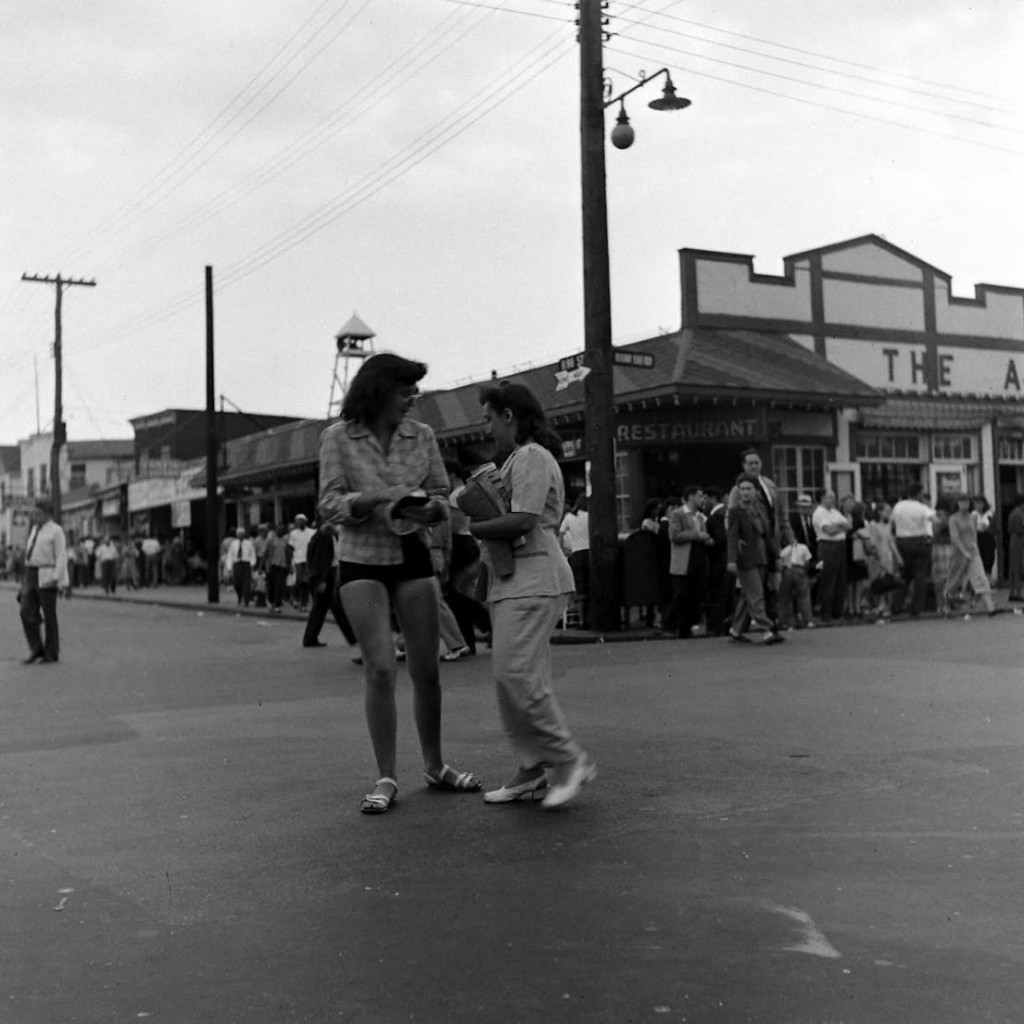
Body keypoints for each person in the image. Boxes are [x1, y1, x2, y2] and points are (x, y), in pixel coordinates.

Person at [317, 352, 480, 815]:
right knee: (382, 669)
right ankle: (386, 775)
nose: (413, 399)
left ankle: (435, 765)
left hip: (412, 552)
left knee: (427, 669)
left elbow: (441, 493)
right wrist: (370, 500)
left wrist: (431, 509)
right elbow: (328, 503)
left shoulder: (422, 435)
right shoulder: (337, 438)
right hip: (361, 558)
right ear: (379, 390)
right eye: (406, 390)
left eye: (415, 390)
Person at [467, 381, 595, 809]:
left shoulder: (532, 457)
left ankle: (567, 758)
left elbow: (523, 519)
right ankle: (530, 767)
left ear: (509, 416)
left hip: (534, 578)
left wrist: (475, 526)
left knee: (517, 676)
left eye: (489, 417)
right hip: (513, 581)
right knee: (511, 680)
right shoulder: (515, 461)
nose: (487, 428)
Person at [726, 474, 783, 644]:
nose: (745, 492)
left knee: (747, 596)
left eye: (748, 489)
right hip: (746, 559)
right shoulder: (735, 511)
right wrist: (731, 560)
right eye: (742, 489)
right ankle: (767, 630)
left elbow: (768, 536)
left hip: (762, 556)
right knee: (757, 595)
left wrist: (776, 557)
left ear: (756, 491)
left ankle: (735, 630)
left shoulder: (760, 511)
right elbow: (732, 536)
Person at [19, 498, 69, 664]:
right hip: (31, 573)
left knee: (49, 615)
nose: (35, 516)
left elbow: (61, 556)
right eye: (34, 513)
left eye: (39, 513)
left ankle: (51, 652)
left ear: (48, 514)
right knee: (25, 610)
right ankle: (36, 648)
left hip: (47, 573)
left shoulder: (56, 531)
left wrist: (56, 578)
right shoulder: (34, 529)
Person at [662, 484, 712, 638]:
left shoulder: (699, 516)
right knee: (681, 594)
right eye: (699, 496)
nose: (702, 499)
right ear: (690, 497)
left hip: (697, 557)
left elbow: (704, 533)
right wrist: (697, 535)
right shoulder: (678, 514)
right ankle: (669, 624)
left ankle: (686, 626)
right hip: (683, 560)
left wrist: (707, 538)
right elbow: (675, 536)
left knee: (694, 593)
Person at [302, 522, 359, 653]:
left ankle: (310, 638)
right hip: (326, 576)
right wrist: (320, 580)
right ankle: (353, 638)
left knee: (323, 608)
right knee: (333, 607)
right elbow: (319, 560)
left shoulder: (327, 536)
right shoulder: (323, 537)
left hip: (328, 574)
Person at [946, 493, 997, 616]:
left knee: (981, 578)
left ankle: (990, 607)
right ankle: (946, 606)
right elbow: (955, 537)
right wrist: (963, 551)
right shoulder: (953, 519)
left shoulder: (972, 517)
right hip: (958, 553)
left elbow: (974, 535)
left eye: (967, 502)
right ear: (957, 504)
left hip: (973, 553)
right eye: (962, 502)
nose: (965, 505)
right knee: (954, 581)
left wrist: (974, 549)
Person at [890, 482, 934, 616]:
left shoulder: (898, 506)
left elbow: (892, 522)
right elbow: (934, 519)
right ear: (919, 493)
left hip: (902, 541)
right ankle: (916, 608)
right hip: (919, 541)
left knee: (904, 575)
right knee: (920, 576)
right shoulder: (921, 507)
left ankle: (896, 605)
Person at [811, 489, 850, 623]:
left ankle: (837, 612)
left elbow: (848, 525)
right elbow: (829, 530)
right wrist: (840, 527)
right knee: (828, 579)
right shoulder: (819, 513)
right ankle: (825, 611)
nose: (832, 500)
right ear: (822, 498)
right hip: (827, 546)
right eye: (829, 497)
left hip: (840, 546)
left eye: (833, 497)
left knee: (840, 578)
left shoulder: (835, 512)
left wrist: (838, 526)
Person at [863, 503, 903, 622]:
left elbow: (891, 542)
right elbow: (872, 544)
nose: (888, 514)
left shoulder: (889, 525)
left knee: (888, 583)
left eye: (890, 511)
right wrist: (878, 559)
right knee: (878, 584)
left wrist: (898, 557)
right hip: (877, 558)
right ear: (879, 512)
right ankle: (877, 609)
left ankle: (886, 609)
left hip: (888, 557)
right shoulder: (873, 526)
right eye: (886, 511)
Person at [558, 493, 591, 629]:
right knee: (591, 588)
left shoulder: (569, 517)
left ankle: (582, 620)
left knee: (580, 589)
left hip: (576, 553)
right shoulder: (589, 516)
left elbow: (561, 533)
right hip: (589, 552)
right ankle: (591, 618)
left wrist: (563, 549)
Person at [777, 522, 814, 629]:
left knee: (786, 598)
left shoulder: (784, 550)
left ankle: (788, 622)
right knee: (803, 596)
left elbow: (781, 559)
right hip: (799, 570)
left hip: (788, 570)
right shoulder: (803, 547)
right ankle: (807, 620)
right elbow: (807, 561)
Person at [287, 514, 315, 611]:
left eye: (300, 520)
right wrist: (289, 563)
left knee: (306, 582)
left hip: (308, 560)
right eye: (297, 521)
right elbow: (290, 548)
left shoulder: (312, 532)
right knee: (298, 580)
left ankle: (304, 603)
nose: (298, 522)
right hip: (297, 559)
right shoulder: (293, 533)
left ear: (304, 521)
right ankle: (295, 598)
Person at [226, 527, 255, 606]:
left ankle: (246, 600)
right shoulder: (233, 544)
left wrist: (252, 563)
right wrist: (229, 567)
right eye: (239, 534)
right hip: (237, 564)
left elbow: (252, 554)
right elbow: (230, 556)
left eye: (242, 534)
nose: (240, 536)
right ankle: (239, 596)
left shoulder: (248, 543)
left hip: (246, 564)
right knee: (237, 583)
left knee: (246, 583)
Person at [264, 524, 289, 613]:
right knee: (272, 586)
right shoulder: (271, 540)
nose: (280, 531)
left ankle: (277, 604)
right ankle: (271, 601)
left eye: (282, 530)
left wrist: (289, 566)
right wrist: (262, 567)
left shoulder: (286, 540)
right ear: (275, 530)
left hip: (282, 566)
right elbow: (265, 554)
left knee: (280, 586)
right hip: (272, 566)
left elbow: (288, 553)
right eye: (278, 530)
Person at [972, 496, 996, 580]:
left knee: (989, 560)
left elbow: (995, 527)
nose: (978, 506)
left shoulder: (990, 513)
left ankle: (988, 582)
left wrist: (988, 528)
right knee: (978, 562)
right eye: (976, 504)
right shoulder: (973, 514)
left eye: (980, 503)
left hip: (988, 538)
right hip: (977, 538)